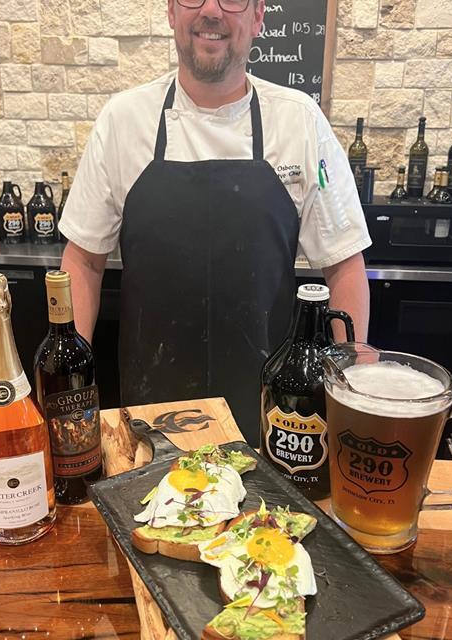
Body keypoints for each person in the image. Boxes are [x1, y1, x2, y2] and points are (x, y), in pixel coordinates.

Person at [59, 0, 372, 446]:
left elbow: (344, 265)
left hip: (276, 421)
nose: (211, 11)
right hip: (153, 420)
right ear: (171, 12)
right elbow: (83, 260)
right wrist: (71, 388)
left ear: (259, 16)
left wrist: (350, 391)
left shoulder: (299, 120)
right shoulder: (123, 120)